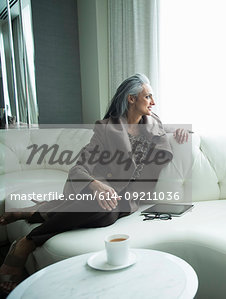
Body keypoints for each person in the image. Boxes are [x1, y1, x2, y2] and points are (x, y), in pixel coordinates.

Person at [0, 74, 189, 294]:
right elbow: (78, 169)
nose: (153, 102)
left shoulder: (154, 123)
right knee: (105, 210)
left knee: (108, 210)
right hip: (104, 192)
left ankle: (38, 213)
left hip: (131, 197)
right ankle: (28, 241)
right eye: (148, 96)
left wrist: (180, 130)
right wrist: (96, 185)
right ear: (131, 99)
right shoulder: (106, 129)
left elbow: (161, 128)